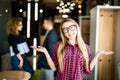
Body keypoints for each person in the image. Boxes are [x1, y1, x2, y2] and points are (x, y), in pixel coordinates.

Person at [31, 18, 113, 80]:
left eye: (71, 27)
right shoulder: (59, 46)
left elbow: (87, 69)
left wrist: (98, 54)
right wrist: (46, 52)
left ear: (76, 28)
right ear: (63, 32)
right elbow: (54, 68)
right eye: (65, 30)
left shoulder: (85, 48)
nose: (69, 32)